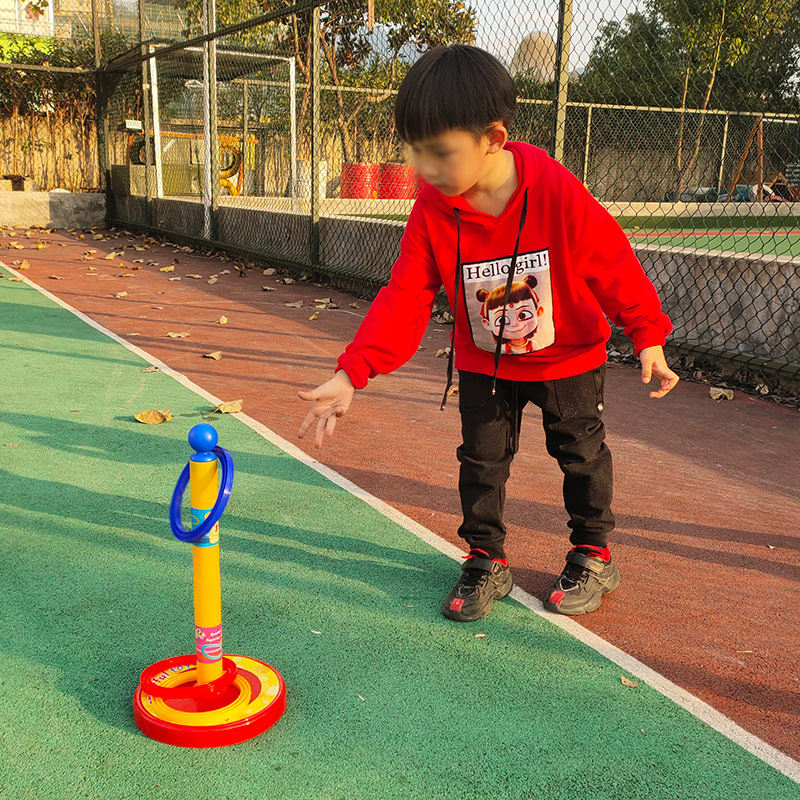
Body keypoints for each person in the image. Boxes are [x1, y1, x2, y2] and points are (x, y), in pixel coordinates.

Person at [297, 44, 679, 621]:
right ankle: (484, 558)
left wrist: (647, 333)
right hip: (486, 362)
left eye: (440, 155)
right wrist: (355, 370)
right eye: (415, 154)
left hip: (568, 358)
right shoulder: (433, 205)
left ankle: (593, 552)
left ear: (494, 138)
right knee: (481, 461)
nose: (424, 170)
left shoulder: (553, 189)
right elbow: (405, 294)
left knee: (580, 454)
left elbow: (612, 262)